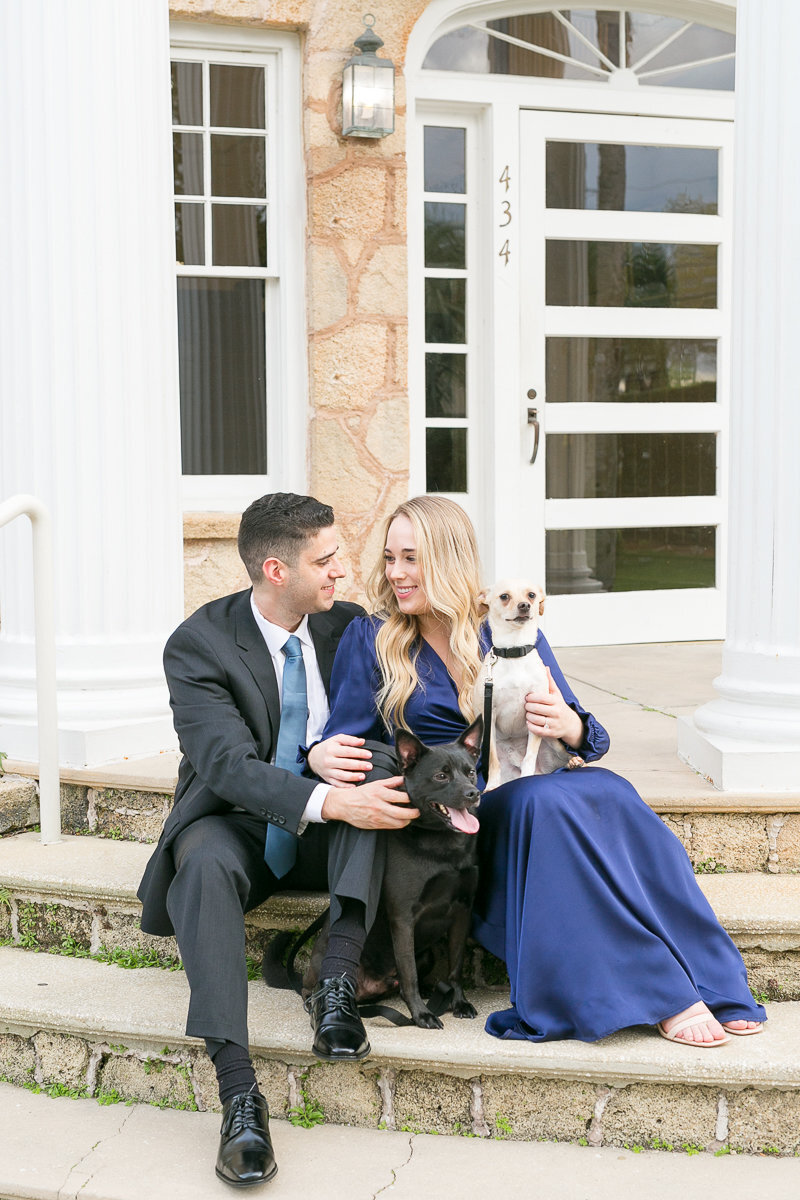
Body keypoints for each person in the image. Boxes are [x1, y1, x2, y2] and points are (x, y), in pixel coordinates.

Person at [309, 495, 765, 1053]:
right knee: (542, 803)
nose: (396, 574)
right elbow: (346, 735)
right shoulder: (374, 636)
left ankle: (711, 977)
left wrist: (570, 726)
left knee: (609, 789)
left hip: (531, 786)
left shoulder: (506, 620)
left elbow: (586, 737)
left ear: (450, 561)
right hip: (459, 812)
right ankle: (662, 991)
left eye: (412, 559)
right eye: (390, 559)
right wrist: (319, 756)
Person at [137, 493, 418, 1189]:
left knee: (372, 768)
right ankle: (238, 1095)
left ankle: (336, 982)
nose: (342, 572)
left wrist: (329, 757)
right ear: (274, 569)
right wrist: (319, 786)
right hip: (238, 826)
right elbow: (228, 767)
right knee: (198, 861)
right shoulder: (198, 645)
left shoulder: (347, 626)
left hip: (329, 839)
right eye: (325, 561)